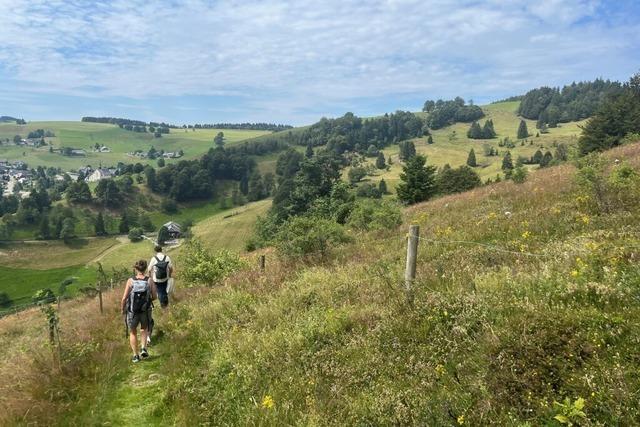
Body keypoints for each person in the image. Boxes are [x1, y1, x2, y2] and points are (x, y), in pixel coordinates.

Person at [121, 260, 156, 363]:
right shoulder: (149, 280)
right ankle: (143, 349)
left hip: (132, 312)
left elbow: (124, 298)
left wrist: (122, 309)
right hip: (145, 311)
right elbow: (154, 296)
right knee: (144, 329)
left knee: (132, 332)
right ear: (145, 269)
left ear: (135, 269)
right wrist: (148, 301)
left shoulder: (130, 281)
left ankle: (136, 356)